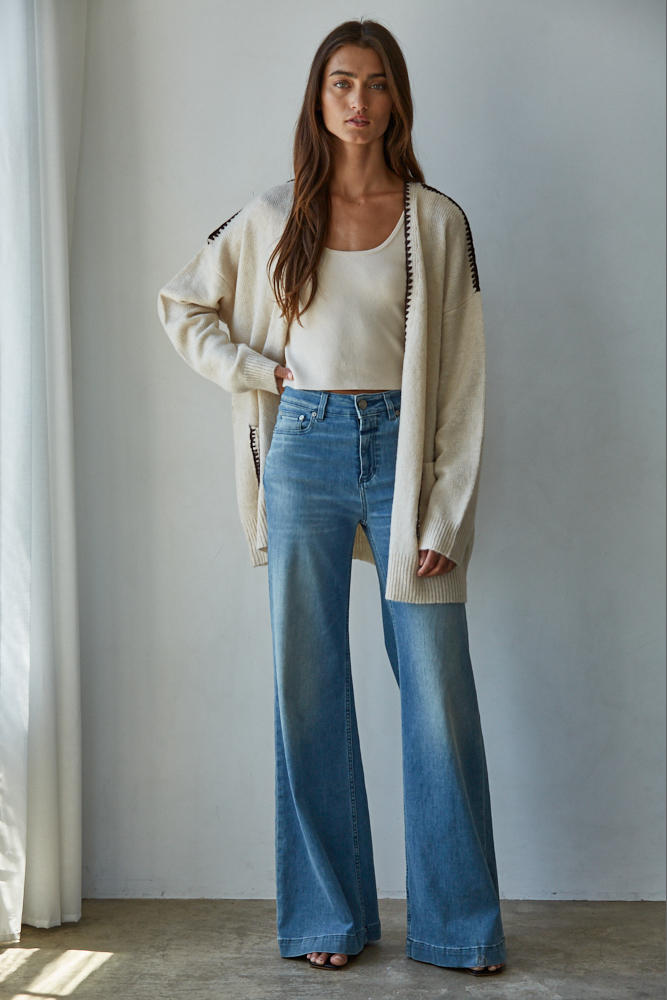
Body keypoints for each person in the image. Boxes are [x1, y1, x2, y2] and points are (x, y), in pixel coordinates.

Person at [157, 17, 506, 978]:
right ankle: (326, 914)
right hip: (303, 445)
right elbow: (182, 303)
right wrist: (253, 369)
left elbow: (463, 382)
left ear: (397, 99)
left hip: (404, 454)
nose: (359, 100)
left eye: (377, 83)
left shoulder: (437, 221)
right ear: (317, 98)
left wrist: (444, 512)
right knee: (307, 688)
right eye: (342, 82)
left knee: (436, 691)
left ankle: (458, 928)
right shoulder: (272, 214)